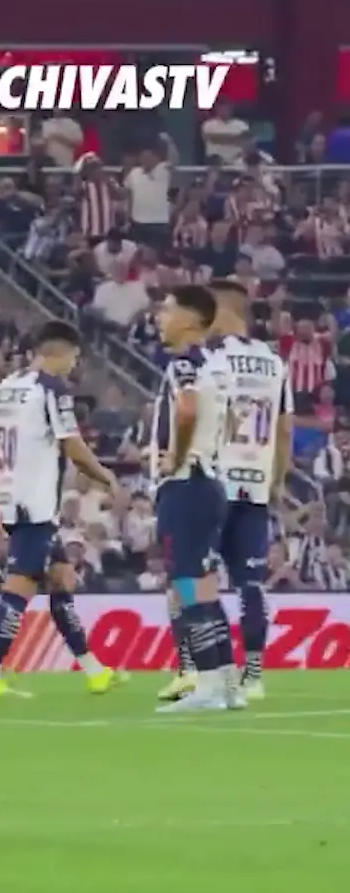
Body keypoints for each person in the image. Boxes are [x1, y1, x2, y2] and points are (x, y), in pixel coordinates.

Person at [0, 321, 124, 699]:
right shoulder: (51, 389)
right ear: (64, 352)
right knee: (19, 588)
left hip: (14, 501)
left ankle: (94, 670)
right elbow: (72, 445)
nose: (74, 365)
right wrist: (106, 477)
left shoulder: (1, 391)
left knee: (60, 578)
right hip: (36, 505)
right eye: (74, 357)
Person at [152, 286, 245, 714]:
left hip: (186, 484)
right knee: (203, 585)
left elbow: (187, 410)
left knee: (188, 584)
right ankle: (226, 684)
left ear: (190, 319)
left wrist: (176, 456)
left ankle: (207, 685)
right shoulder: (218, 365)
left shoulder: (184, 363)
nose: (159, 316)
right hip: (210, 482)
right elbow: (234, 421)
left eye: (167, 309)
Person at [208, 279, 292, 703]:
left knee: (194, 581)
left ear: (223, 311)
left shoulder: (211, 359)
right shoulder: (275, 364)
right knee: (251, 585)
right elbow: (284, 430)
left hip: (212, 486)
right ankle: (253, 676)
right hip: (255, 488)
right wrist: (277, 480)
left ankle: (202, 670)